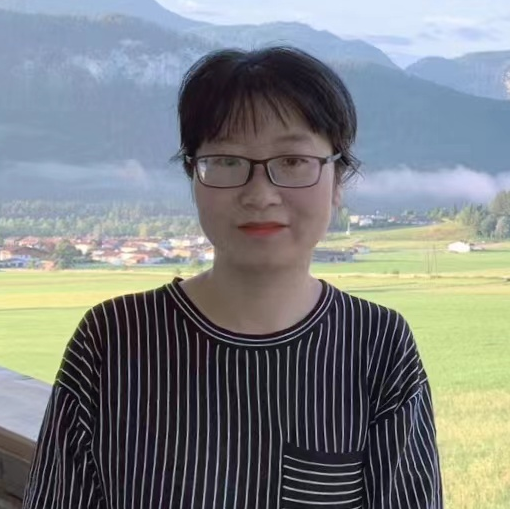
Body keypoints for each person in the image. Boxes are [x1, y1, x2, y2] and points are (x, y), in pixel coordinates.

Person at [22, 46, 443, 509]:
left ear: (337, 179)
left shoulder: (378, 345)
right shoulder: (112, 339)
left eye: (292, 161)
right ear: (193, 175)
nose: (260, 194)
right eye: (226, 161)